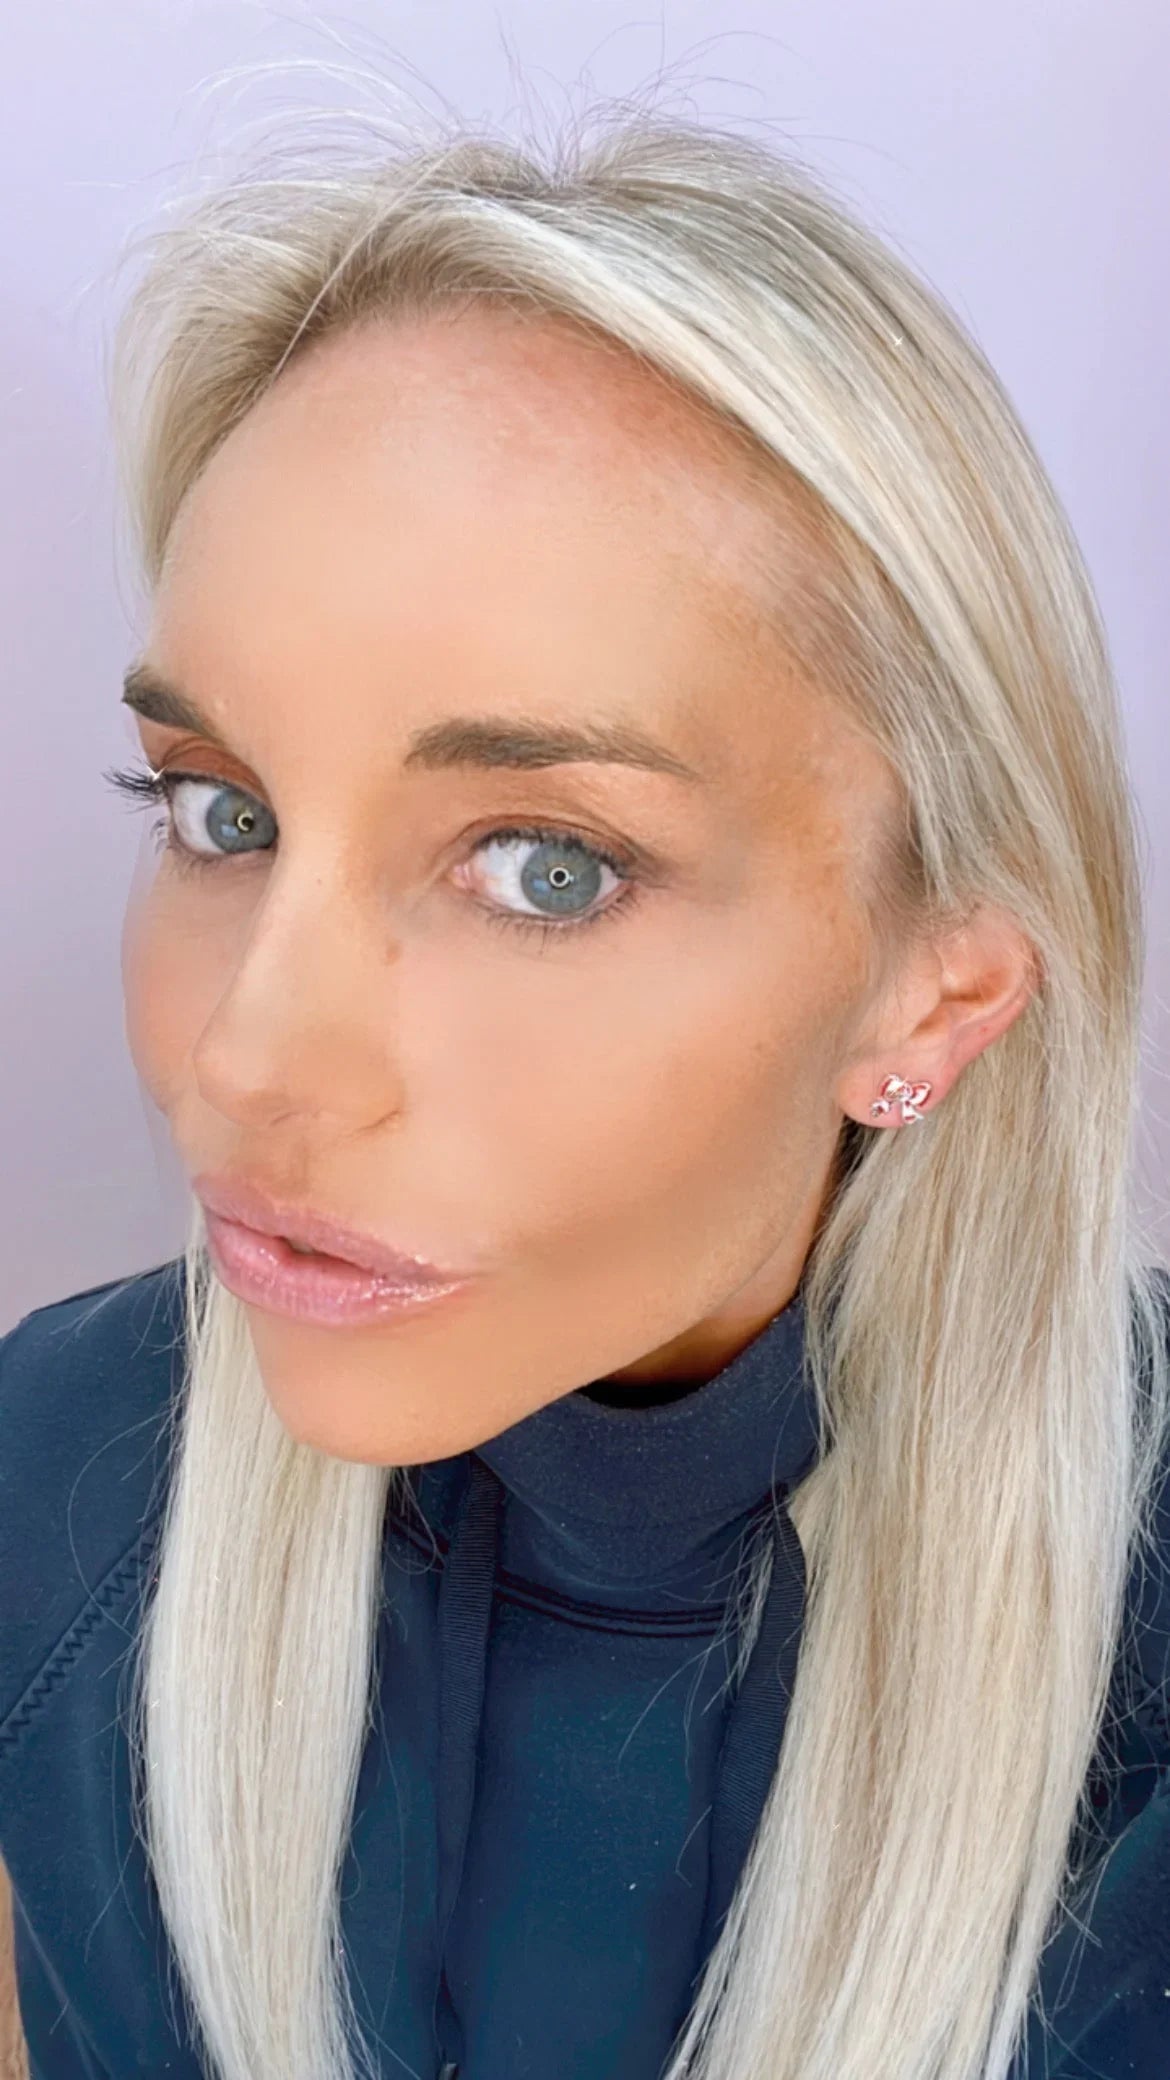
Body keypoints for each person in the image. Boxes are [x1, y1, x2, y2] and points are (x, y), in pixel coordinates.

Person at [1, 99, 1168, 2080]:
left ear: (940, 989)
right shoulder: (54, 1465)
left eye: (546, 863)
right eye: (224, 808)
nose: (247, 1057)